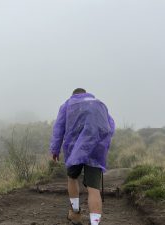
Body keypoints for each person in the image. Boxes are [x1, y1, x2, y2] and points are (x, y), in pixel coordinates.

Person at [50, 88, 115, 225]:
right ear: (86, 94)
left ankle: (75, 213)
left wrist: (55, 150)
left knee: (72, 178)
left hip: (74, 149)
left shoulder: (68, 105)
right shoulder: (100, 104)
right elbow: (110, 126)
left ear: (73, 95)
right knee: (94, 189)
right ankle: (95, 223)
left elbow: (59, 128)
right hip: (96, 150)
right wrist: (102, 145)